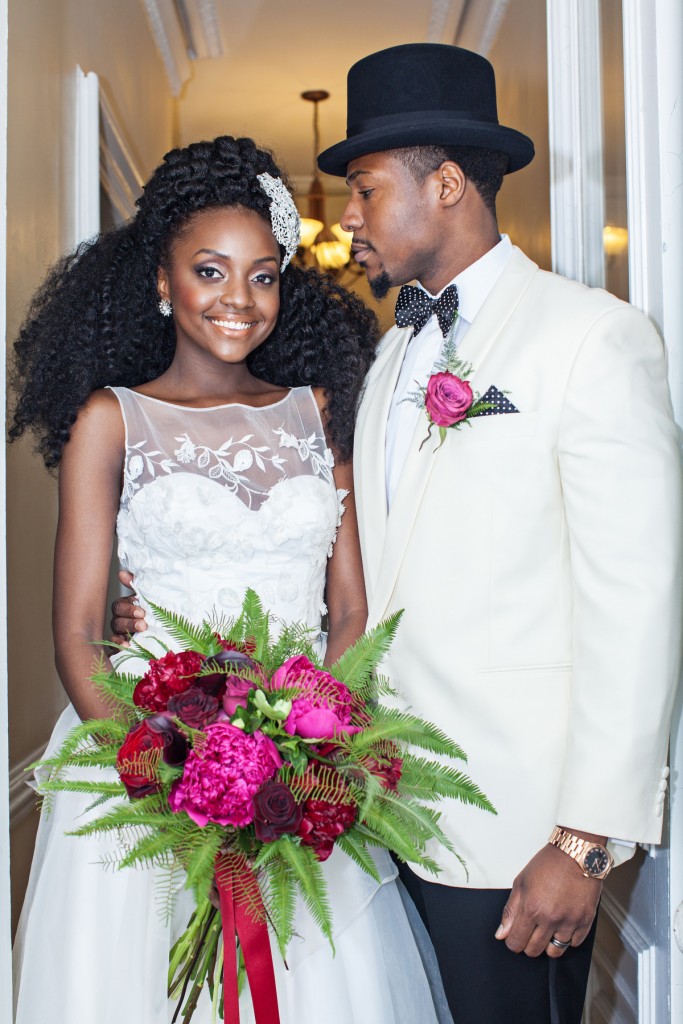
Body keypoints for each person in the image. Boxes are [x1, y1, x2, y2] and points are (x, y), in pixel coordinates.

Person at [9, 135, 452, 1024]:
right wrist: (166, 772)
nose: (236, 301)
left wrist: (312, 741)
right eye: (209, 272)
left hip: (297, 756)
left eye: (261, 275)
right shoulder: (111, 420)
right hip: (141, 757)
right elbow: (75, 631)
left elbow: (351, 605)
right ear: (164, 281)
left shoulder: (318, 410)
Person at [319, 42, 683, 1023]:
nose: (345, 217)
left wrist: (583, 841)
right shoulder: (390, 358)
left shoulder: (591, 338)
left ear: (445, 185)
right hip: (382, 821)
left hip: (516, 841)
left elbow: (632, 603)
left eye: (361, 188)